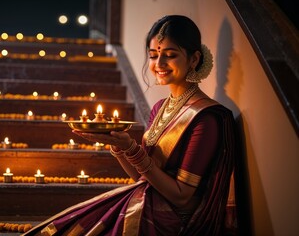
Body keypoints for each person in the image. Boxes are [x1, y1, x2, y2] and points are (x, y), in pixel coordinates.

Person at [22, 15, 237, 236]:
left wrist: (132, 149)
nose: (159, 64)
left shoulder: (206, 118)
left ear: (194, 60)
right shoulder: (160, 108)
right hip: (147, 200)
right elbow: (141, 178)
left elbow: (181, 196)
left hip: (173, 220)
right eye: (153, 55)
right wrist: (118, 145)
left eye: (170, 55)